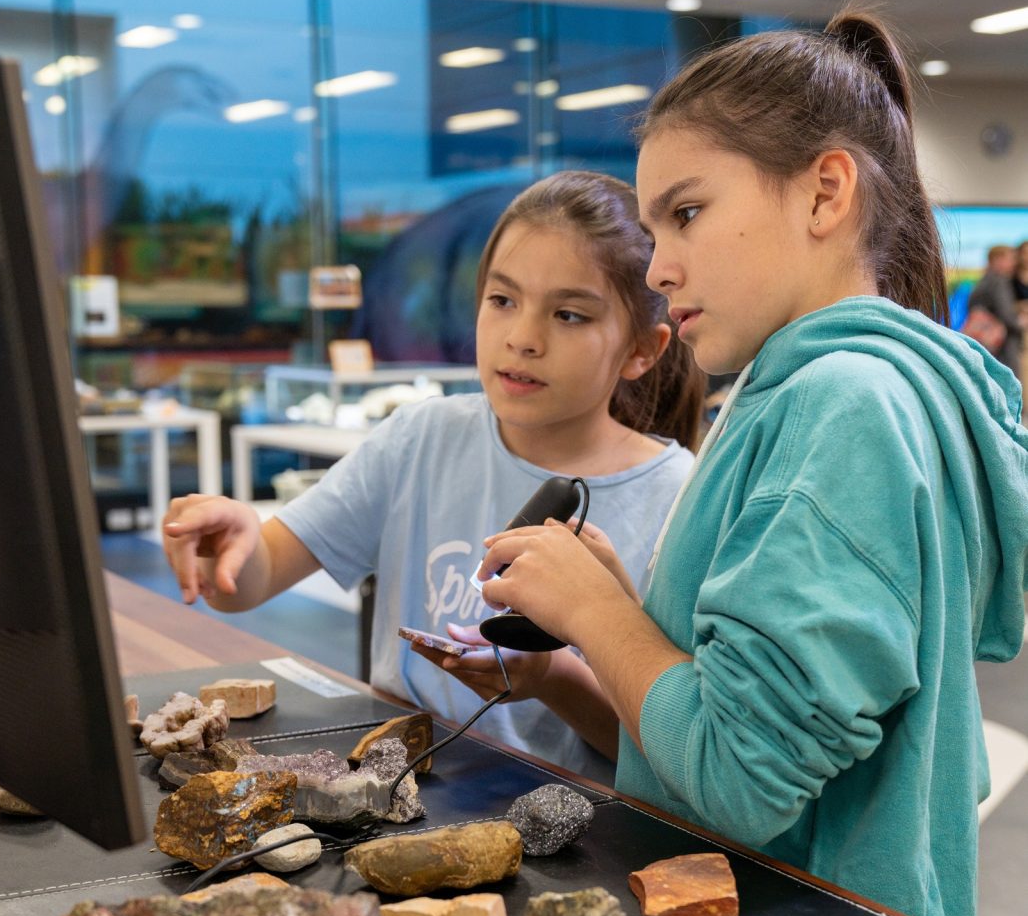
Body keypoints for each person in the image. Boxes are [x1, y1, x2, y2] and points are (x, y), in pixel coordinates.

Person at [448, 10, 1028, 916]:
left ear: (825, 193)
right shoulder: (843, 388)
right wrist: (630, 611)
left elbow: (740, 774)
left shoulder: (844, 407)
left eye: (686, 214)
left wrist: (599, 618)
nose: (660, 268)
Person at [162, 170, 705, 781]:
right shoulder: (420, 438)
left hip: (577, 826)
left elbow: (673, 757)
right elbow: (251, 580)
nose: (522, 338)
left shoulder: (683, 499)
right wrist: (230, 543)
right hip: (391, 788)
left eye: (570, 315)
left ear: (642, 350)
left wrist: (552, 677)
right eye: (502, 301)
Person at [967, 244, 1025, 378]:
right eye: (1011, 259)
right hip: (1003, 343)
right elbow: (1007, 316)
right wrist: (1020, 322)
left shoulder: (984, 279)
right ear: (997, 260)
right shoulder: (999, 281)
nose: (1014, 263)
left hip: (985, 341)